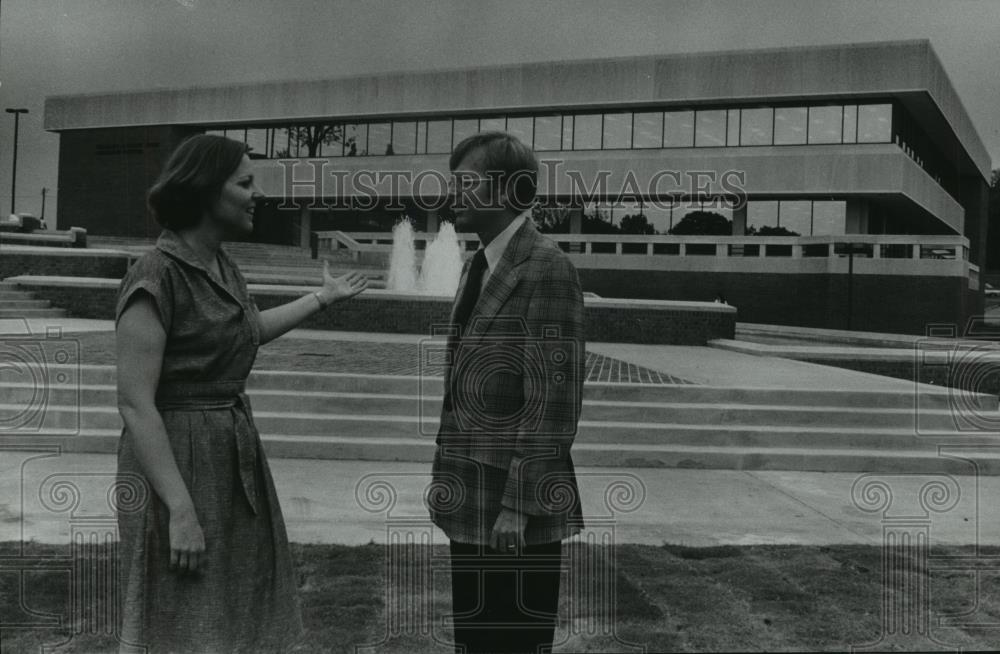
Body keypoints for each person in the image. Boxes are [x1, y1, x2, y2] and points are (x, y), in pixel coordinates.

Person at [114, 134, 367, 653]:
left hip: (231, 451)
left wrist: (321, 299)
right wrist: (180, 508)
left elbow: (246, 329)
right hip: (176, 462)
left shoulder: (221, 265)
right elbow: (135, 403)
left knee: (233, 606)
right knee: (179, 612)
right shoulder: (155, 275)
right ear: (207, 191)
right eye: (245, 183)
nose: (258, 196)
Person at [427, 132, 586, 653]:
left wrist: (518, 506)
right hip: (472, 497)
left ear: (505, 190)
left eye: (464, 183)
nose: (452, 195)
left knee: (512, 642)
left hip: (514, 509)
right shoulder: (481, 263)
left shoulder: (546, 267)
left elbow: (553, 404)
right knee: (476, 642)